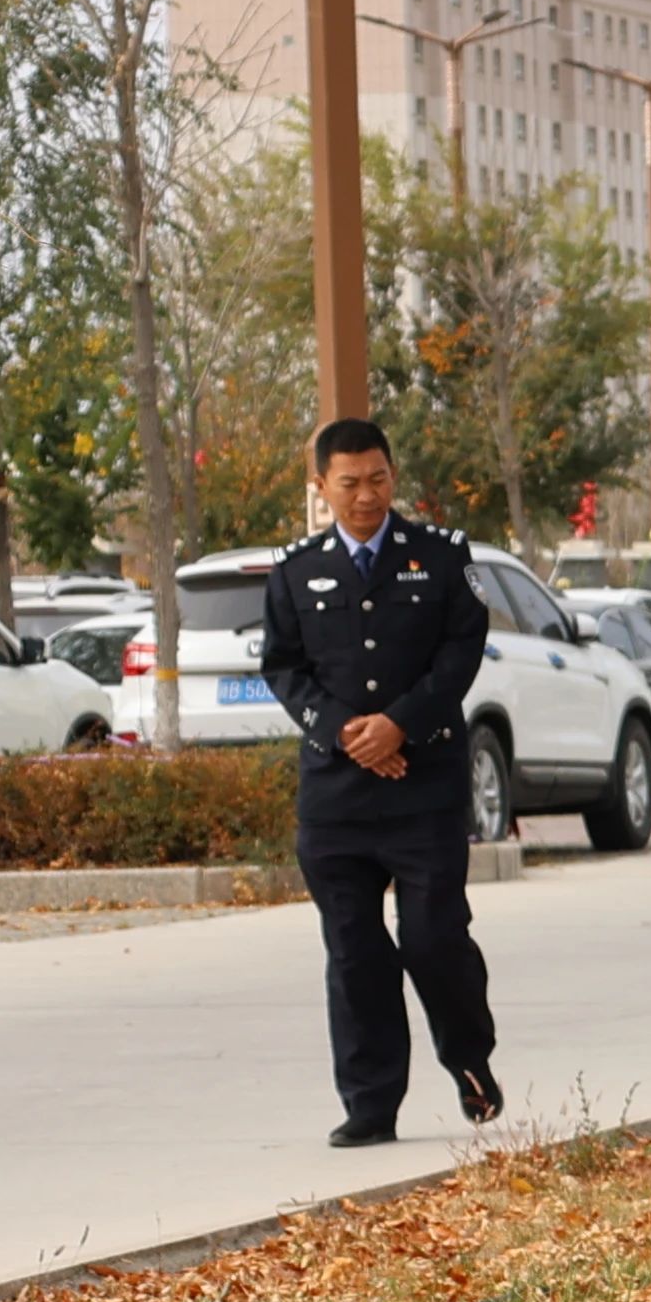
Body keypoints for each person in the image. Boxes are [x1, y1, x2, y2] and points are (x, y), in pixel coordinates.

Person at [257, 418, 500, 1148]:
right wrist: (346, 733)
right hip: (336, 797)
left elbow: (463, 650)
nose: (366, 496)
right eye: (349, 483)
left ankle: (470, 1062)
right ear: (321, 487)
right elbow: (283, 667)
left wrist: (400, 724)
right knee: (354, 953)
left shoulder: (442, 556)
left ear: (393, 476)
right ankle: (370, 1104)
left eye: (378, 480)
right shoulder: (294, 571)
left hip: (424, 788)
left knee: (433, 939)